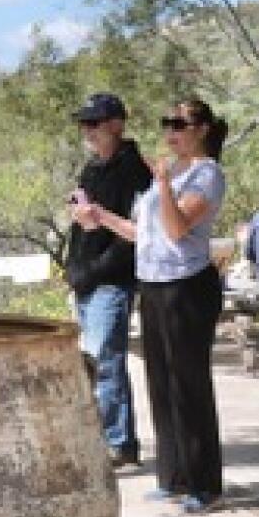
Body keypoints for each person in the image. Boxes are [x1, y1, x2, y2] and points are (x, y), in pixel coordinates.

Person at [101, 97, 229, 514]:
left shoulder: (206, 174)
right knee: (161, 383)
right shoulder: (172, 172)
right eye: (166, 123)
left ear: (202, 129)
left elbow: (176, 230)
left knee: (190, 385)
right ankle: (173, 476)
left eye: (179, 123)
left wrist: (160, 185)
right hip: (153, 284)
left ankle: (204, 483)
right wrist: (98, 216)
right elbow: (144, 233)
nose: (170, 131)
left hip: (187, 286)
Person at [65, 93, 154, 468]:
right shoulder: (92, 169)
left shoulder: (135, 171)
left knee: (106, 360)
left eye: (94, 123)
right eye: (83, 124)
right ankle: (116, 437)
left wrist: (95, 270)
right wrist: (73, 269)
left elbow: (132, 235)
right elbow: (82, 224)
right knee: (95, 361)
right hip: (86, 278)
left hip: (111, 280)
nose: (87, 131)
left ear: (117, 124)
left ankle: (118, 442)